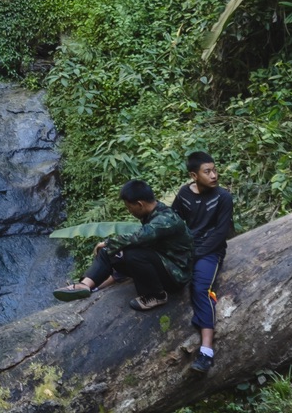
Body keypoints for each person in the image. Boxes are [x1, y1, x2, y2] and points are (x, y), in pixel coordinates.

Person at [53, 180, 194, 311]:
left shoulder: (165, 220)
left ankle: (157, 296)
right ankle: (85, 285)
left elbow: (140, 237)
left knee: (132, 253)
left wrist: (108, 242)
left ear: (140, 204)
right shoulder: (153, 214)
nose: (129, 211)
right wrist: (108, 246)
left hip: (176, 274)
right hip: (159, 264)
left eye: (129, 207)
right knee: (109, 251)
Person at [172, 151, 234, 374]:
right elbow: (173, 221)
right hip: (185, 249)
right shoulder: (184, 195)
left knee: (200, 288)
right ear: (194, 175)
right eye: (207, 172)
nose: (214, 175)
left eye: (215, 170)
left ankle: (206, 352)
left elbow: (220, 234)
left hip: (210, 252)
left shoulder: (223, 197)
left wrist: (196, 254)